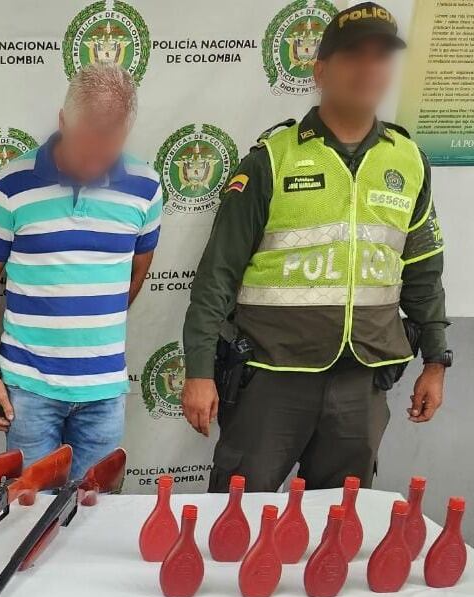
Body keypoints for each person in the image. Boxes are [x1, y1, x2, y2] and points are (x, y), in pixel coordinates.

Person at [181, 2, 452, 492]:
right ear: (321, 70)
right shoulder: (272, 159)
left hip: (361, 383)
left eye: (380, 57)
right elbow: (217, 275)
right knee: (241, 514)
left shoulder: (409, 161)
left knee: (340, 521)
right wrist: (199, 371)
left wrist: (436, 362)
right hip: (270, 378)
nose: (368, 69)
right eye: (353, 55)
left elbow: (424, 273)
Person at [0, 63, 162, 479]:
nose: (92, 165)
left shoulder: (146, 187)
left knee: (94, 508)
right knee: (29, 508)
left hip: (104, 393)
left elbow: (136, 273)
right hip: (29, 390)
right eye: (83, 149)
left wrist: (90, 329)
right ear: (62, 121)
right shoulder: (13, 184)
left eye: (105, 153)